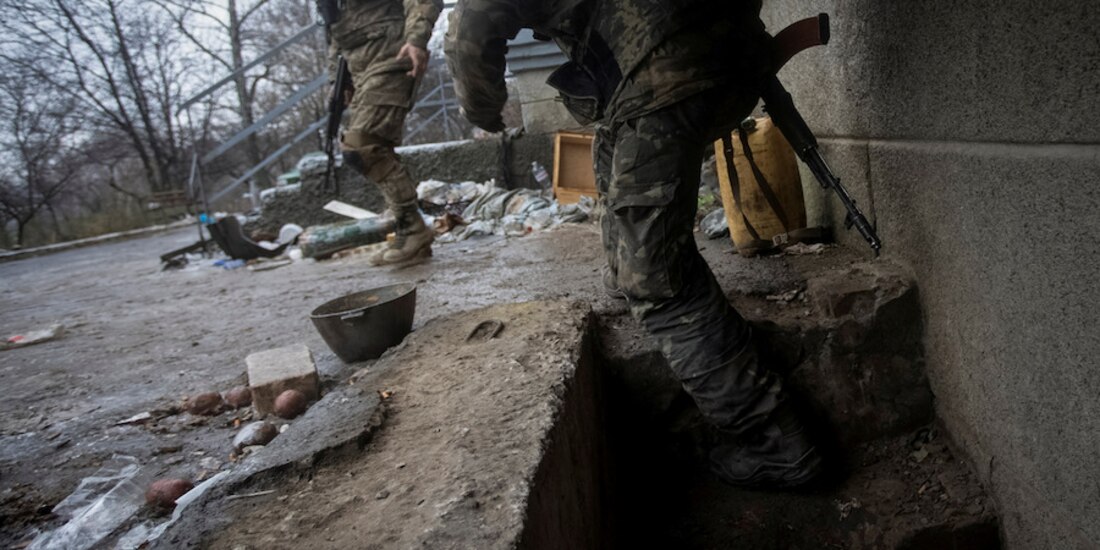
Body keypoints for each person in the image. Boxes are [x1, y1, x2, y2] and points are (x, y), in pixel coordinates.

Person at [445, 0, 824, 487]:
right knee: (612, 145)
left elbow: (472, 21)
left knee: (661, 287)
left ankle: (778, 444)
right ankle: (625, 266)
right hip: (737, 52)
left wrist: (482, 107)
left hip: (667, 73)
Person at [323, 0, 443, 265]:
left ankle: (413, 230)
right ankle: (410, 234)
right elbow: (334, 27)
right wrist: (337, 78)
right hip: (359, 68)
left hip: (393, 54)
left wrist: (417, 39)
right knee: (378, 149)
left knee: (361, 148)